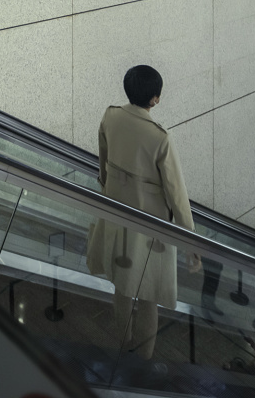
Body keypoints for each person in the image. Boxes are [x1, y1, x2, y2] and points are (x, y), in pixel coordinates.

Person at [88, 65, 199, 360]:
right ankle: (144, 359)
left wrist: (106, 183)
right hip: (152, 228)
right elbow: (176, 193)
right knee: (149, 295)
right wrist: (190, 241)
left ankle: (123, 344)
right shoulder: (159, 137)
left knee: (122, 289)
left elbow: (103, 158)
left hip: (115, 213)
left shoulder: (111, 115)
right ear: (155, 99)